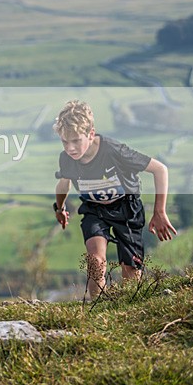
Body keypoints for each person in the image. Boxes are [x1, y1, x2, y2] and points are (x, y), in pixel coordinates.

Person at [52, 100, 177, 299]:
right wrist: (59, 208)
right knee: (95, 261)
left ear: (91, 134)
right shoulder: (66, 159)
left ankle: (129, 309)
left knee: (130, 271)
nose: (70, 148)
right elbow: (64, 183)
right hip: (94, 209)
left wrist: (159, 212)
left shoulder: (113, 150)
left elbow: (160, 169)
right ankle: (98, 308)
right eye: (65, 142)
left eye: (76, 141)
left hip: (126, 209)